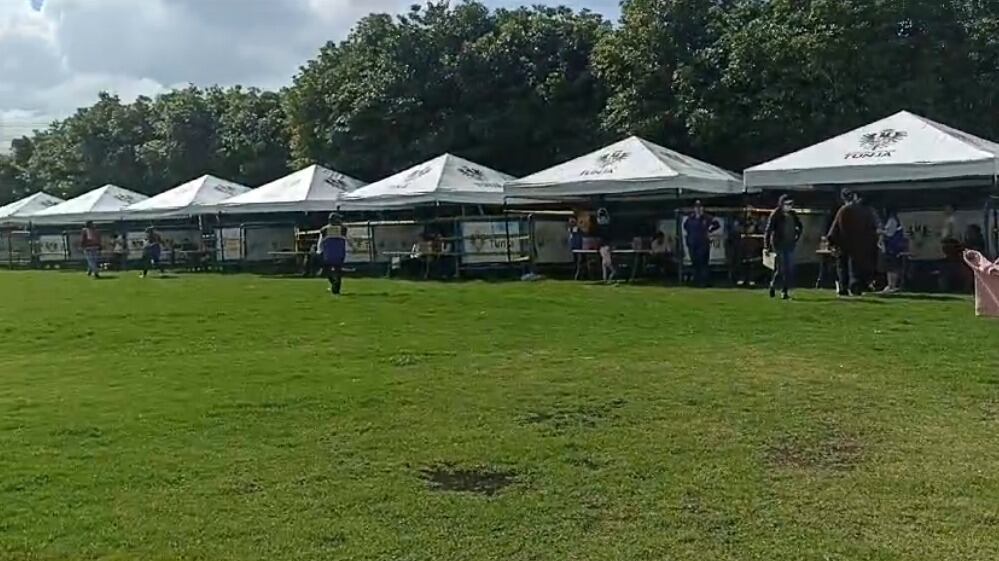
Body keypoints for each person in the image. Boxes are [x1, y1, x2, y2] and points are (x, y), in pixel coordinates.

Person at [827, 189, 879, 296]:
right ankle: (856, 286)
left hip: (844, 243)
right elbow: (872, 228)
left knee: (842, 267)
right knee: (856, 267)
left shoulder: (843, 210)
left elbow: (835, 228)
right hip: (861, 244)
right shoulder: (865, 211)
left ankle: (843, 288)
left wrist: (831, 242)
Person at [764, 194, 803, 300]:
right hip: (778, 244)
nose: (790, 206)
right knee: (781, 269)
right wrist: (767, 246)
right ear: (782, 204)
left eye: (791, 204)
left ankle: (784, 290)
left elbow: (800, 226)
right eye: (788, 204)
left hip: (790, 244)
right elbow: (768, 231)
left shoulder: (792, 214)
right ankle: (773, 285)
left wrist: (797, 236)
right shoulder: (775, 214)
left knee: (789, 269)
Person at [684, 200, 720, 286]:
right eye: (696, 207)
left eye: (700, 207)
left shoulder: (707, 217)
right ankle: (696, 281)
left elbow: (716, 224)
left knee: (703, 263)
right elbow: (686, 227)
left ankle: (704, 282)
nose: (698, 209)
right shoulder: (690, 218)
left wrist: (710, 230)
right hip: (693, 243)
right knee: (695, 262)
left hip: (703, 243)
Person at [318, 213, 347, 295]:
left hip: (328, 253)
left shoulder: (324, 229)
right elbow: (349, 239)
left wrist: (319, 250)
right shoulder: (343, 229)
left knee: (327, 270)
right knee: (338, 271)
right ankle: (336, 288)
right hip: (340, 253)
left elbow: (320, 241)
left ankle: (334, 284)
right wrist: (354, 247)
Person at [880, 207, 907, 293]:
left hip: (893, 247)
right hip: (893, 247)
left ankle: (892, 285)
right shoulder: (894, 220)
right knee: (891, 267)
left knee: (892, 267)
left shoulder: (892, 220)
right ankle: (891, 285)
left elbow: (889, 233)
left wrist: (880, 231)